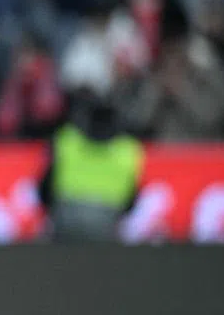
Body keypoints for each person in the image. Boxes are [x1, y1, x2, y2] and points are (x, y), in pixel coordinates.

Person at [37, 88, 144, 243]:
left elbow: (44, 190)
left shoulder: (66, 140)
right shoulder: (128, 149)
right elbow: (131, 202)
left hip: (65, 220)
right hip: (107, 224)